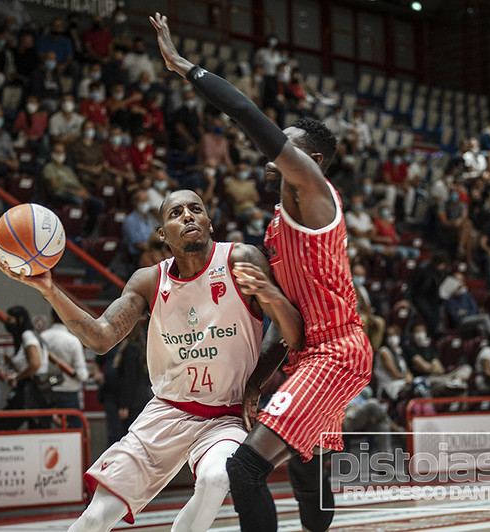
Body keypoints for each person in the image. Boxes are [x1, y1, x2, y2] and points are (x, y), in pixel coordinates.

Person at [150, 14, 372, 532]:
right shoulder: (276, 226)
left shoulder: (315, 195)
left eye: (286, 145)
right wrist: (259, 377)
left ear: (312, 160)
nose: (273, 151)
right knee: (307, 464)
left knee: (244, 468)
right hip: (307, 349)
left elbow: (247, 114)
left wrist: (187, 68)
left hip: (335, 351)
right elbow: (282, 312)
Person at [0, 187, 304, 532]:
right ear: (162, 235)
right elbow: (100, 338)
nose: (187, 216)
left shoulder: (240, 260)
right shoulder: (148, 281)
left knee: (217, 478)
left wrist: (255, 381)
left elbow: (285, 326)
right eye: (175, 213)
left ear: (209, 223)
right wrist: (49, 289)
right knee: (96, 518)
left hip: (225, 415)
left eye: (195, 209)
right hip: (166, 411)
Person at [0, 306, 53, 430]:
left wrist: (16, 377)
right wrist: (11, 363)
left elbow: (35, 364)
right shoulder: (34, 335)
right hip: (37, 388)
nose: (8, 323)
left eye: (10, 319)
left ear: (20, 319)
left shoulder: (27, 335)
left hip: (31, 389)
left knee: (1, 426)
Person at [40, 309, 89, 429]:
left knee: (43, 429)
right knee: (75, 430)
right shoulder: (72, 341)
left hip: (45, 390)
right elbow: (82, 375)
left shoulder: (41, 338)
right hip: (69, 392)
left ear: (51, 318)